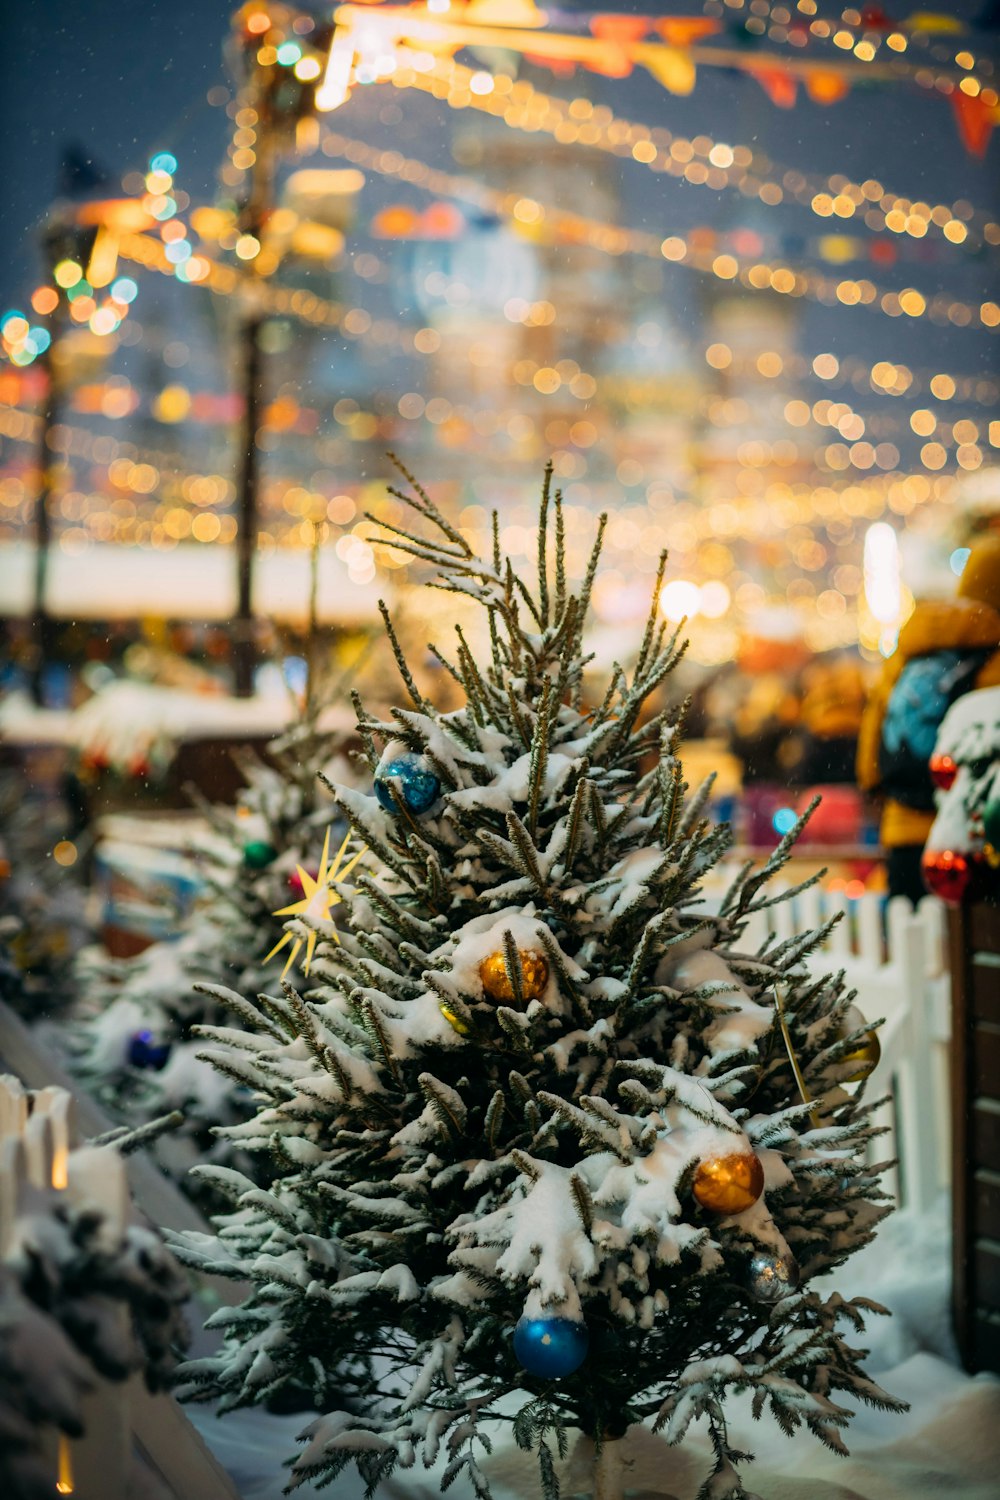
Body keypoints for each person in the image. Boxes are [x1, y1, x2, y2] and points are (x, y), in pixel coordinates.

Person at [857, 533, 1000, 904]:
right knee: (969, 952)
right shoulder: (994, 658)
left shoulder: (908, 654)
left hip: (903, 831)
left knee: (914, 946)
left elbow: (871, 764)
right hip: (969, 840)